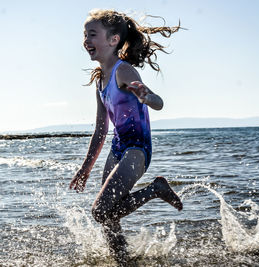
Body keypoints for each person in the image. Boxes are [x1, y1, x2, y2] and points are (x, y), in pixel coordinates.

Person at [69, 9, 183, 265]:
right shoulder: (100, 81)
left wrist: (146, 96)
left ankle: (156, 189)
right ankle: (123, 261)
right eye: (84, 35)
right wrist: (85, 169)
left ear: (113, 40)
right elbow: (100, 129)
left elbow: (159, 102)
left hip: (137, 149)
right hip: (118, 149)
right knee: (109, 219)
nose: (86, 40)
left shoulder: (124, 71)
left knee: (99, 211)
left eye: (92, 34)